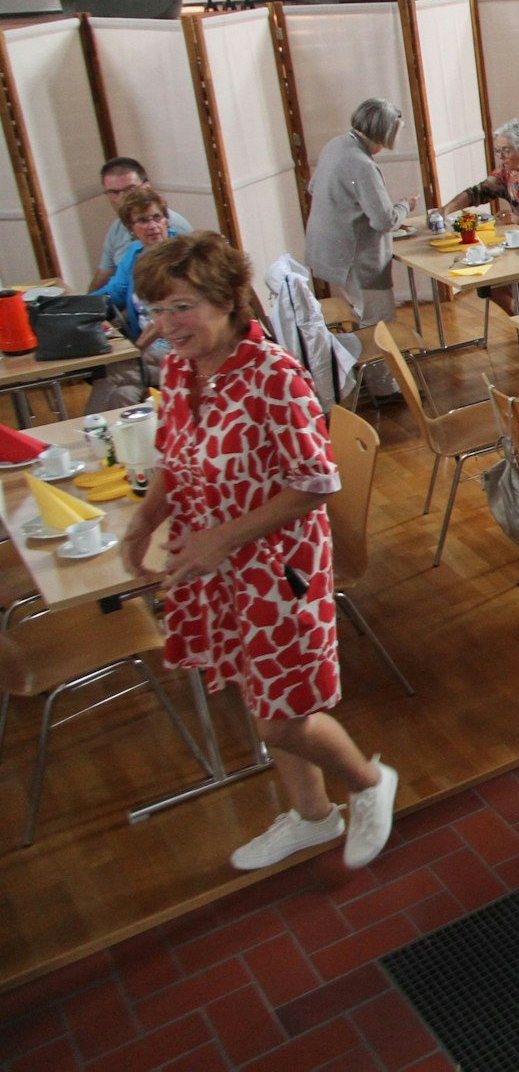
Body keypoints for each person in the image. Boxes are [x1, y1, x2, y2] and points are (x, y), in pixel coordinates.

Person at [120, 232, 397, 873]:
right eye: (157, 311)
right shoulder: (179, 369)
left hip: (278, 570)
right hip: (219, 568)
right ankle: (311, 817)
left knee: (283, 716)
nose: (168, 326)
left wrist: (221, 537)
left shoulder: (273, 376)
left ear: (226, 299)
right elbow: (173, 452)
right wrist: (145, 518)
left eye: (181, 307)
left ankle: (366, 783)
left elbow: (314, 481)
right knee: (259, 695)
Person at [304, 99, 419, 332]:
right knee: (379, 324)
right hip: (354, 258)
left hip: (328, 250)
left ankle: (362, 364)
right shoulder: (361, 164)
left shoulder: (335, 145)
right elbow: (385, 220)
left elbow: (313, 187)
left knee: (360, 311)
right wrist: (405, 205)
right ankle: (380, 368)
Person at [86, 188, 181, 412]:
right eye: (142, 220)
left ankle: (94, 433)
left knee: (117, 372)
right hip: (147, 349)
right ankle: (110, 438)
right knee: (122, 388)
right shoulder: (136, 253)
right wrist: (80, 306)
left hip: (178, 346)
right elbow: (115, 292)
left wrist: (137, 349)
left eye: (157, 217)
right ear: (131, 229)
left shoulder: (180, 255)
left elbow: (167, 314)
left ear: (166, 219)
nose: (152, 226)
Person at [442, 118, 519, 237]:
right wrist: (445, 210)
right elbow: (476, 193)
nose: (500, 156)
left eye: (506, 151)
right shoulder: (506, 173)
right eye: (498, 150)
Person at [93, 157, 192, 290]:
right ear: (130, 228)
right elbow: (114, 286)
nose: (123, 198)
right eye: (114, 192)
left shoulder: (178, 235)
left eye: (130, 190)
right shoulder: (132, 249)